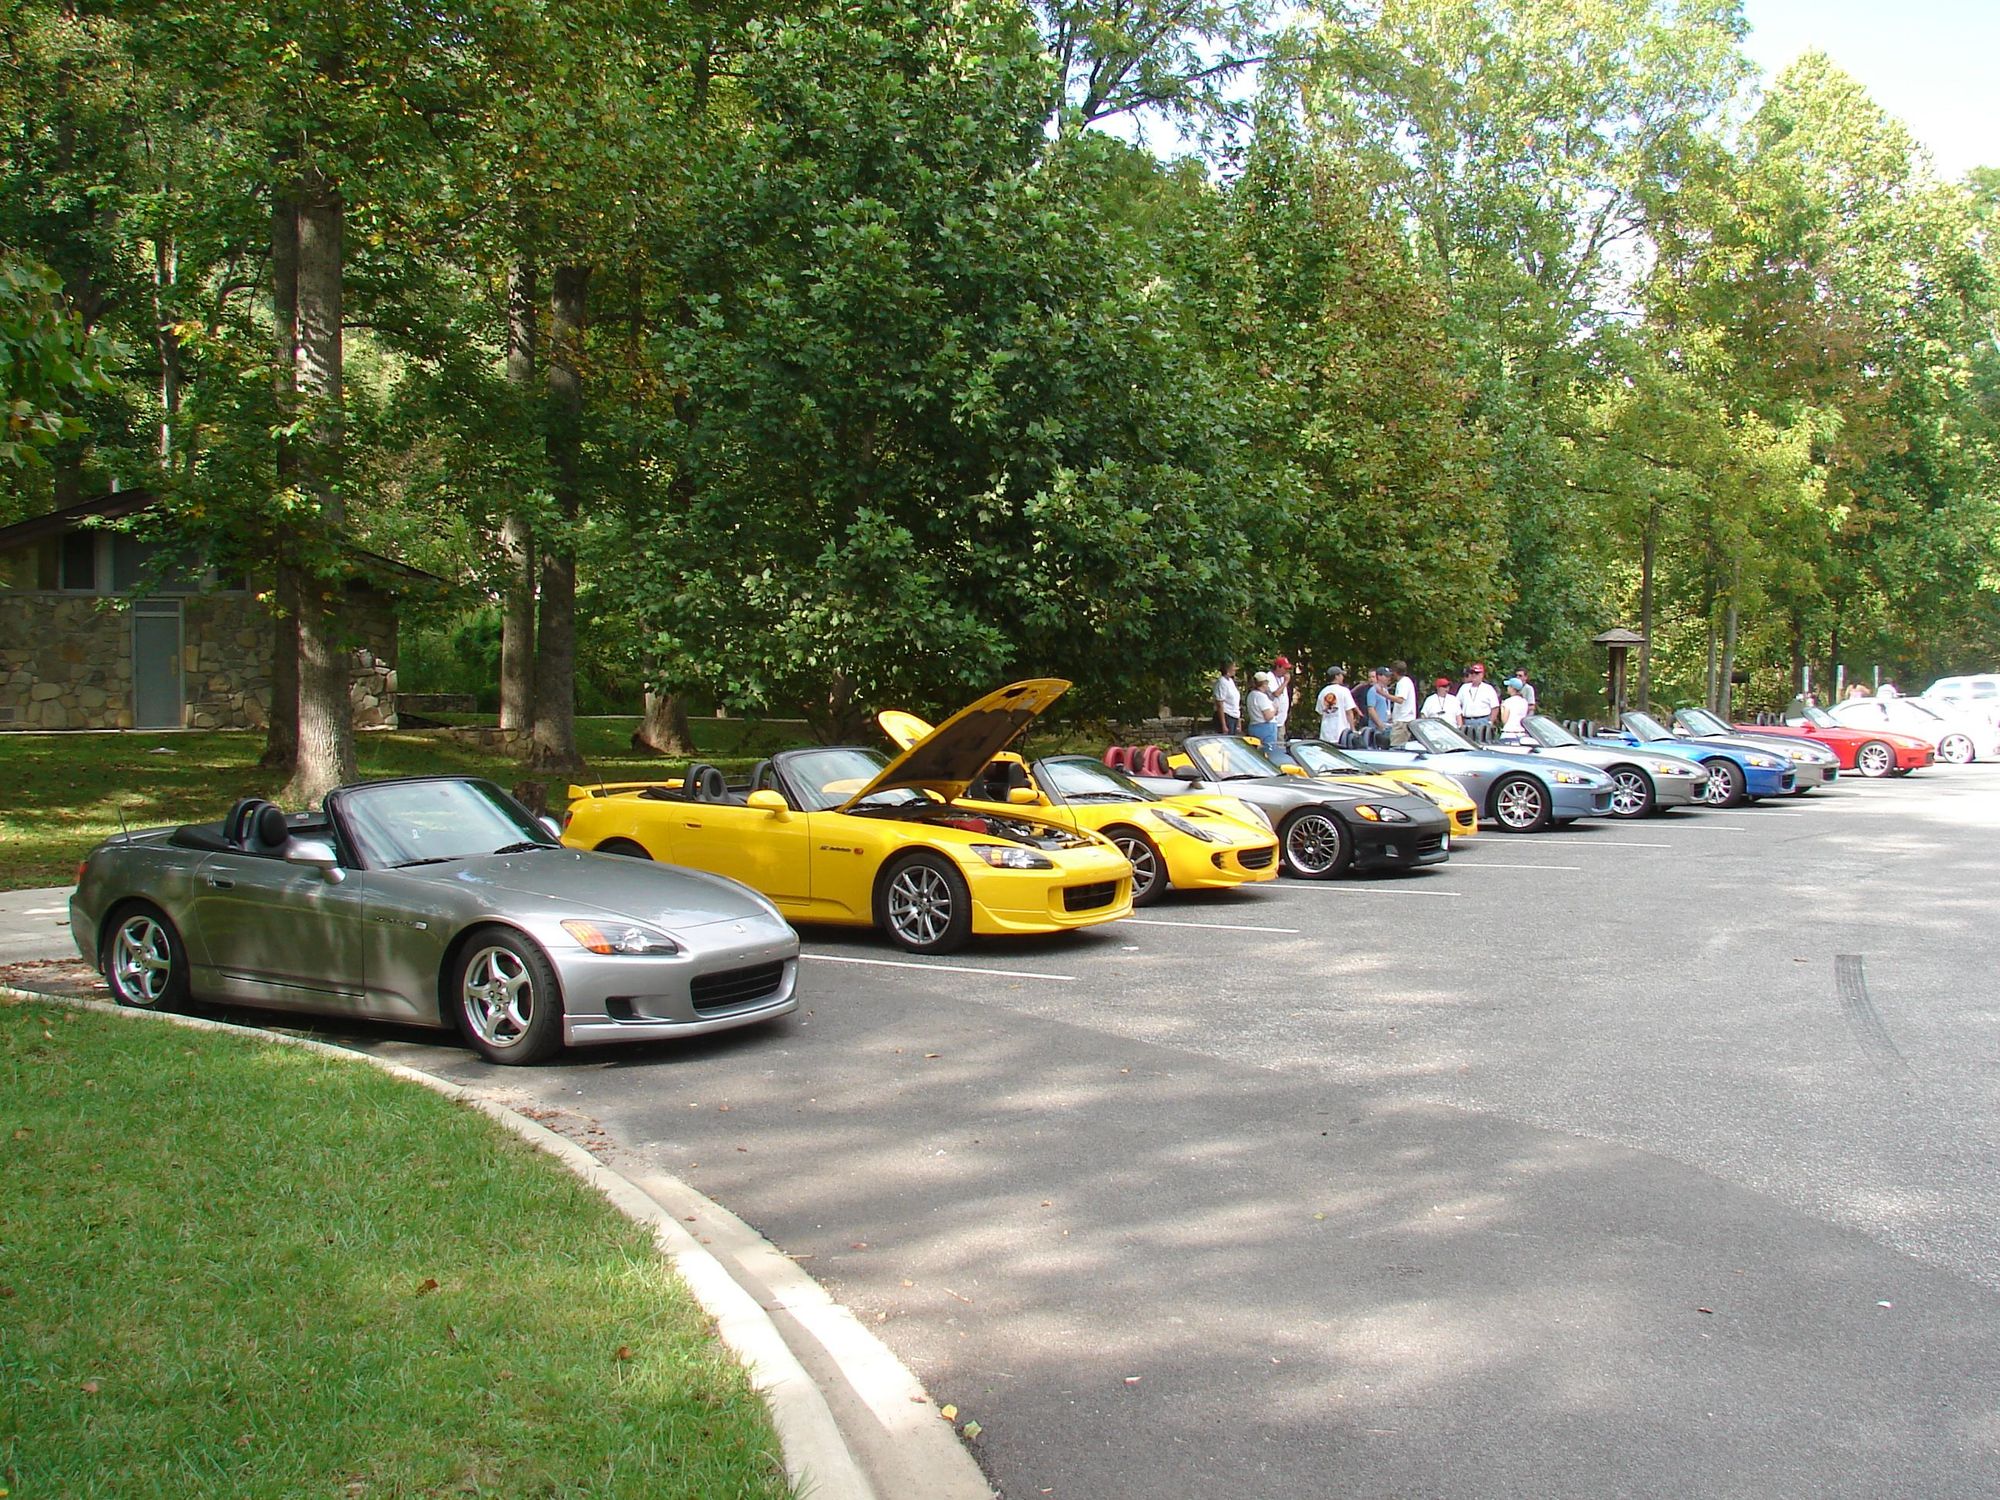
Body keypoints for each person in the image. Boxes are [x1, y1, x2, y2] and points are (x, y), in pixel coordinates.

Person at [1457, 663, 1499, 741]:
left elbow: (1495, 707)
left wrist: (1490, 722)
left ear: (1482, 675)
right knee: (1467, 743)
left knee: (1483, 743)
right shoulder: (1464, 688)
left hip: (1482, 720)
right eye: (1472, 673)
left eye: (1477, 673)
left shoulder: (1488, 688)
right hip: (1467, 721)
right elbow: (1457, 704)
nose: (1474, 675)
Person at [1316, 667, 1358, 743]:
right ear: (1336, 676)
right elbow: (1349, 712)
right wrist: (1353, 729)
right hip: (1341, 733)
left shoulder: (1323, 692)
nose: (1342, 677)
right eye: (1341, 675)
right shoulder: (1344, 691)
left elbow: (1320, 713)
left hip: (1325, 734)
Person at [1246, 670, 1280, 753]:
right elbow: (1268, 716)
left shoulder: (1251, 695)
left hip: (1254, 726)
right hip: (1266, 728)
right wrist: (1275, 709)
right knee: (1268, 753)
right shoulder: (1261, 696)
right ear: (1264, 683)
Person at [1364, 667, 1395, 747]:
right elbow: (1371, 709)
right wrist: (1380, 724)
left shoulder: (1385, 690)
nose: (1389, 678)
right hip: (1377, 728)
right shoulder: (1373, 691)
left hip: (1387, 725)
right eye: (1386, 676)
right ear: (1379, 677)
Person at [1270, 655, 1294, 737]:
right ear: (1278, 667)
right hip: (1273, 721)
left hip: (1281, 720)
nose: (1286, 671)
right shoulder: (1270, 677)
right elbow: (1276, 693)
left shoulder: (1281, 678)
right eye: (1285, 668)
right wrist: (1286, 682)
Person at [1213, 661, 1241, 733]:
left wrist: (1238, 720)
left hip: (1233, 716)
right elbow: (1219, 704)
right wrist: (1223, 725)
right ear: (1228, 669)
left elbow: (1235, 703)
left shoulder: (1230, 681)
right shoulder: (1222, 682)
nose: (1235, 669)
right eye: (1234, 667)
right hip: (1226, 716)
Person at [1390, 660, 1417, 725]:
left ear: (1395, 672)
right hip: (1404, 719)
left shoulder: (1403, 682)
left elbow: (1400, 700)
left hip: (1403, 720)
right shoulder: (1405, 681)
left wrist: (1384, 694)